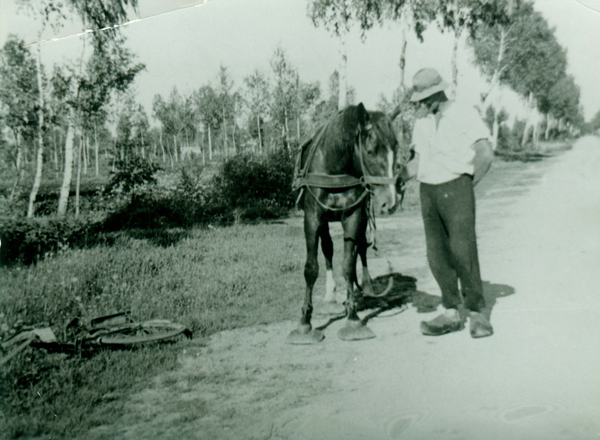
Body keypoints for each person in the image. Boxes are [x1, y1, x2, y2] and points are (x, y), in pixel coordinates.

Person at [399, 68, 495, 338]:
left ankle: (477, 314)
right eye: (419, 99)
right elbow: (418, 163)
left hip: (457, 187)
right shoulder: (422, 123)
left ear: (439, 91)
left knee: (464, 251)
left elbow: (485, 155)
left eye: (426, 97)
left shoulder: (465, 113)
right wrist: (398, 176)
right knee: (437, 255)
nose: (422, 104)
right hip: (428, 191)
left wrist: (465, 185)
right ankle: (451, 312)